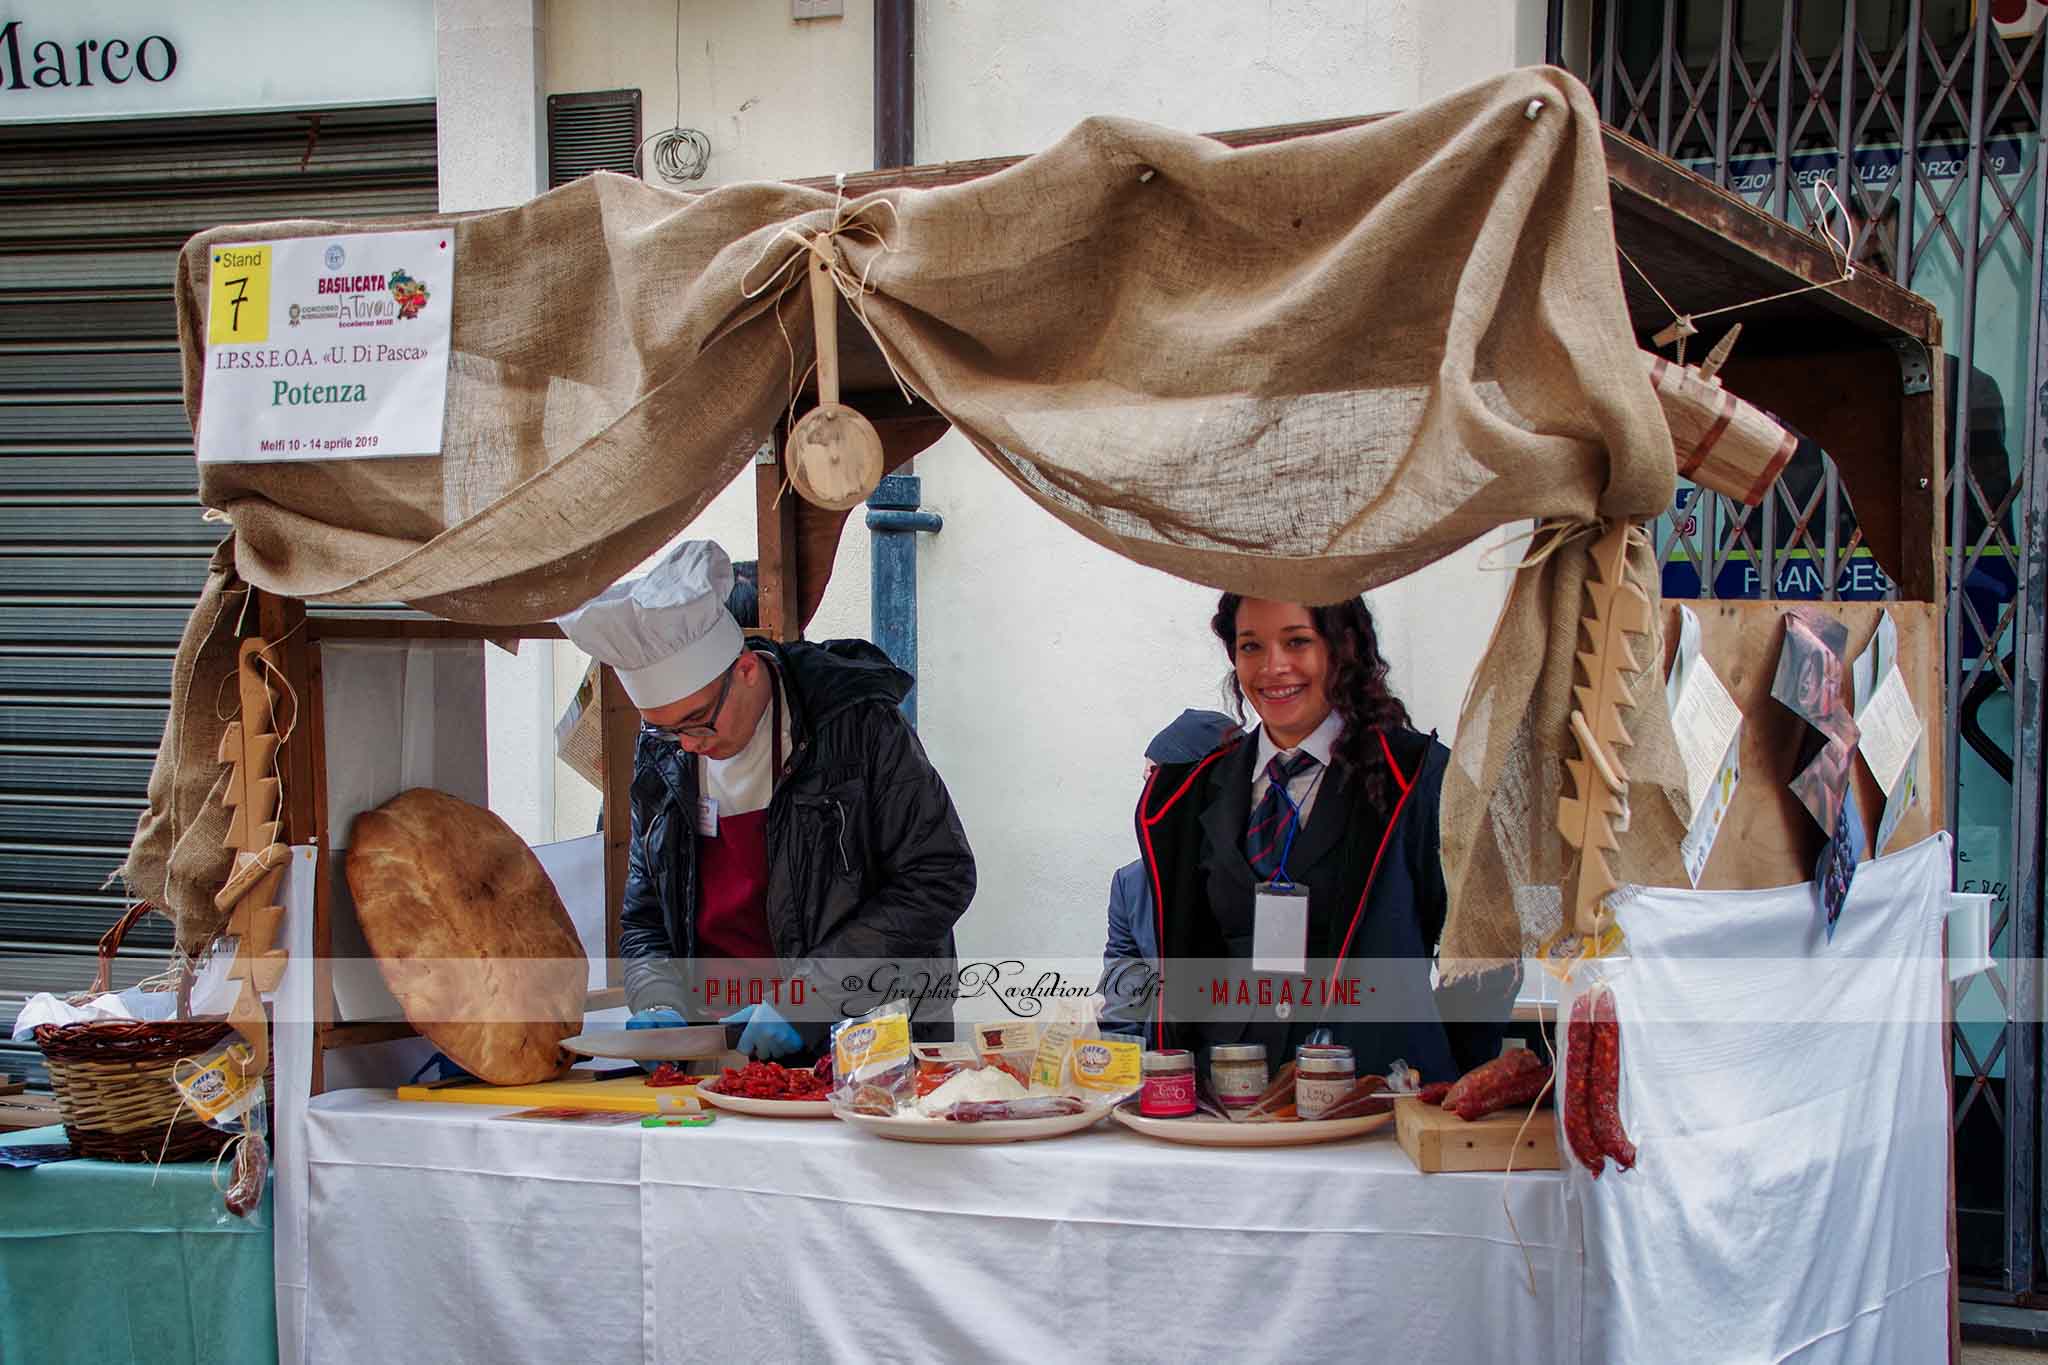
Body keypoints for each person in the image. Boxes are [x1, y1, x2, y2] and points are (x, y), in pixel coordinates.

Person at [557, 540, 975, 1059]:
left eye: (696, 722)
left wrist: (806, 997)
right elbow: (645, 917)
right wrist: (659, 1001)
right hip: (725, 1044)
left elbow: (939, 875)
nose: (687, 745)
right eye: (664, 731)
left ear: (747, 670)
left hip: (868, 1038)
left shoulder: (857, 724)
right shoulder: (664, 754)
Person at [1135, 593, 1516, 1084]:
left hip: (1380, 1094)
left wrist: (1447, 1074)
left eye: (1297, 641)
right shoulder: (1191, 791)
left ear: (1342, 648)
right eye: (1251, 647)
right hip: (1231, 1092)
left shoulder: (1420, 777)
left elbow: (1488, 951)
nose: (1274, 667)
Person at [1099, 709, 1240, 1034]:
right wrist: (1121, 1068)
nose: (1148, 797)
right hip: (1162, 1060)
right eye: (1146, 778)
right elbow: (1124, 994)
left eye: (1158, 779)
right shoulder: (1131, 884)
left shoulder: (1254, 876)